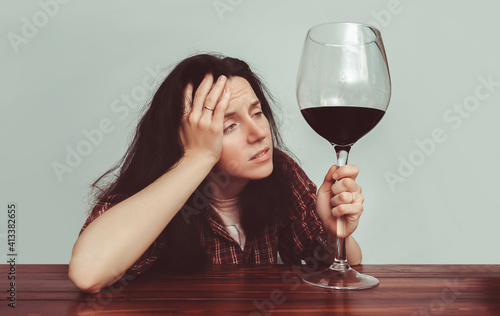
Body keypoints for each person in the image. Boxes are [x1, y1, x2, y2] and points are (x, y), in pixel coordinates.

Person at [68, 53, 365, 294]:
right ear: (185, 138)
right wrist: (197, 157)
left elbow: (344, 267)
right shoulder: (155, 192)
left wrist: (333, 232)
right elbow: (87, 273)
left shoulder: (283, 172)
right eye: (229, 126)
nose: (259, 133)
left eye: (257, 112)